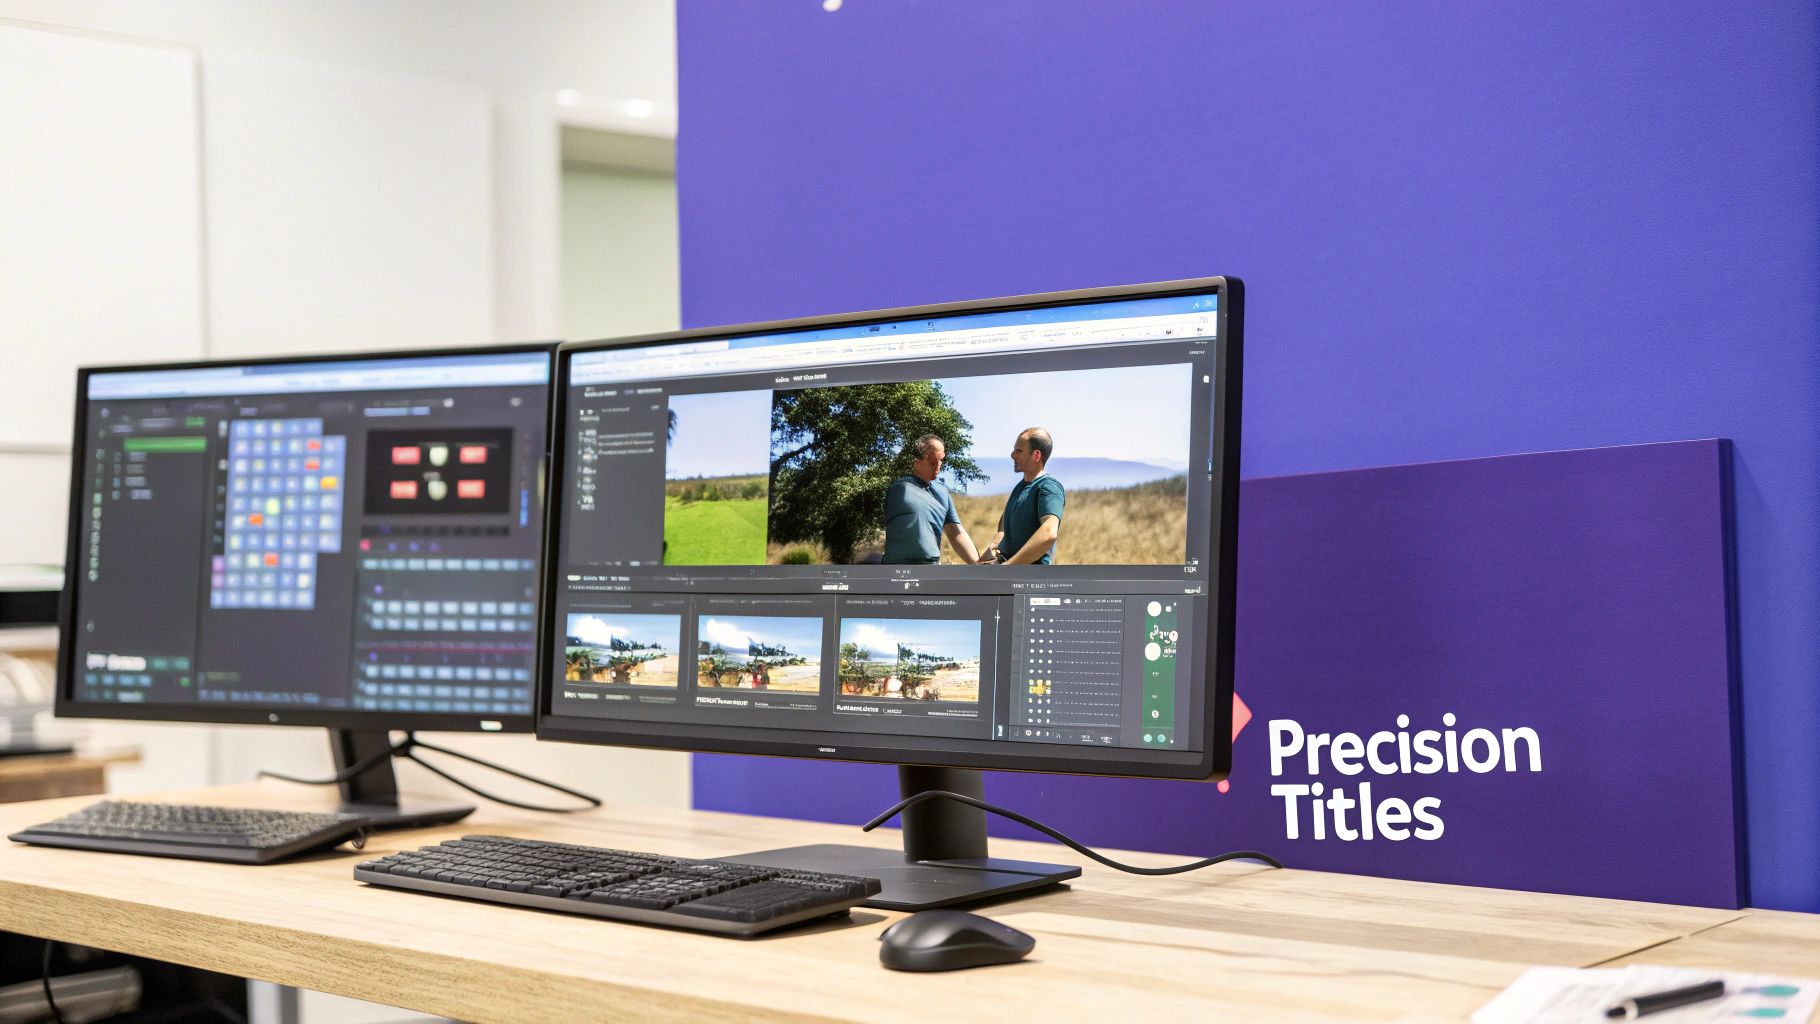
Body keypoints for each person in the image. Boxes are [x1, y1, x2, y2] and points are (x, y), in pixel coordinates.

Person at [882, 434, 981, 565]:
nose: (938, 466)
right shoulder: (899, 489)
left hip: (930, 569)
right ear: (917, 461)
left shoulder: (942, 492)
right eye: (932, 461)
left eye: (941, 460)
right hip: (896, 569)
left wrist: (978, 564)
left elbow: (955, 532)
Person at [980, 427, 1064, 565]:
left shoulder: (1049, 487)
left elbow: (1049, 533)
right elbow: (1005, 525)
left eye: (1019, 451)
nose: (1012, 455)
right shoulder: (1020, 487)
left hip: (1033, 576)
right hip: (1010, 572)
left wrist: (1009, 566)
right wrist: (993, 550)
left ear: (1036, 455)